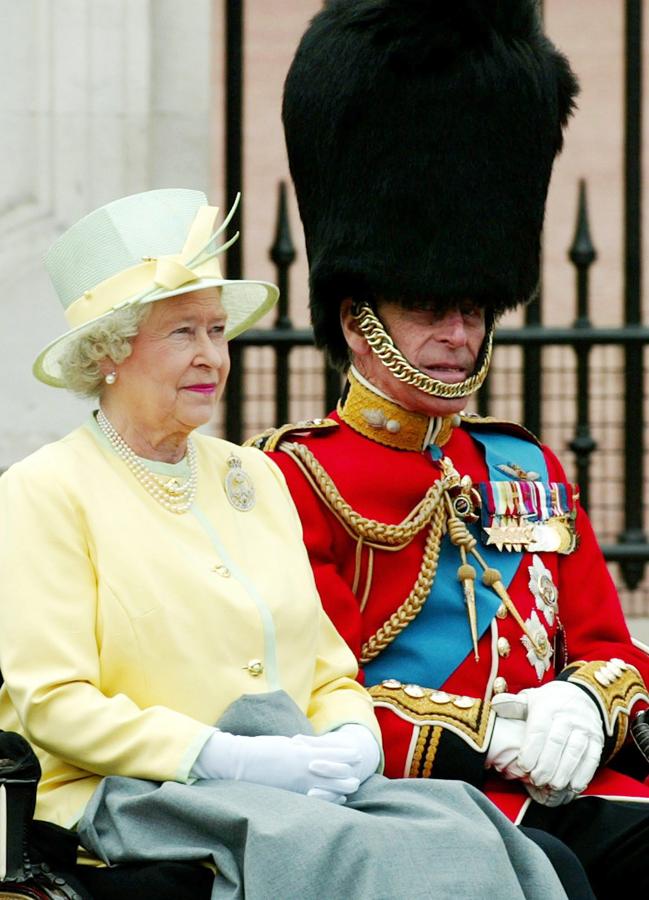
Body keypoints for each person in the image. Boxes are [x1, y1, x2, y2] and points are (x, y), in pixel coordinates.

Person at [0, 187, 573, 900]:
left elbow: (327, 670)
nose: (212, 354)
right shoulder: (45, 489)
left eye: (217, 331)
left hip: (285, 785)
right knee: (366, 860)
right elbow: (53, 703)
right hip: (126, 794)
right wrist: (220, 757)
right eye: (183, 334)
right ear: (109, 353)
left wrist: (351, 736)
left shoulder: (254, 476)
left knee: (487, 838)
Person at [252, 1, 649, 897]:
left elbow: (611, 648)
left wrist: (585, 702)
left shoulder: (524, 470)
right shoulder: (291, 479)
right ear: (359, 320)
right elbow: (312, 701)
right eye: (430, 310)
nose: (458, 333)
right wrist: (493, 734)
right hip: (425, 808)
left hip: (573, 790)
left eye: (471, 310)